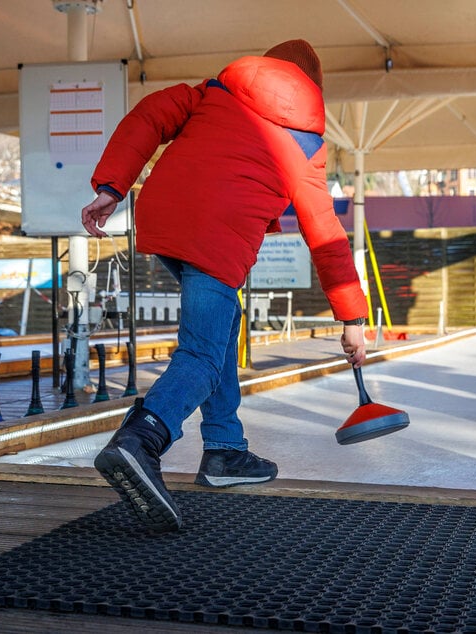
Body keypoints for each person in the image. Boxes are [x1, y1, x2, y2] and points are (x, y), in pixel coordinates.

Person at [80, 39, 368, 533]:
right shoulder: (305, 143)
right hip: (219, 236)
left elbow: (149, 116)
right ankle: (142, 437)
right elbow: (327, 236)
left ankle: (224, 450)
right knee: (204, 354)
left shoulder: (216, 91)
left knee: (223, 324)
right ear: (312, 87)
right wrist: (352, 317)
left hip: (166, 216)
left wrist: (112, 186)